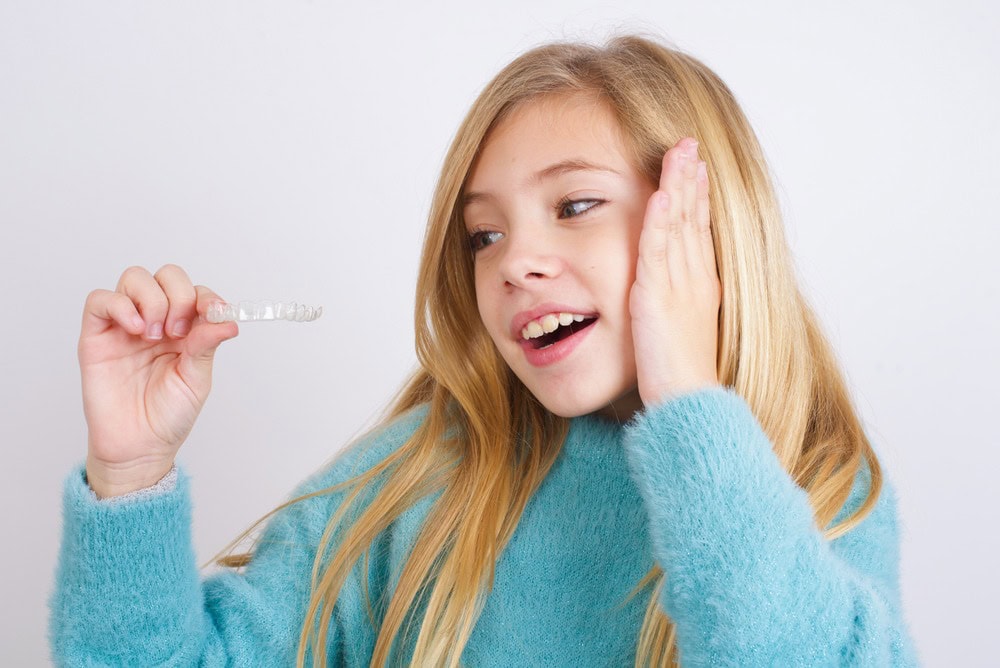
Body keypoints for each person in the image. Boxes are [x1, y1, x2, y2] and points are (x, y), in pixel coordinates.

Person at [49, 34, 919, 666]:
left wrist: (689, 402)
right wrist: (132, 474)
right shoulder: (414, 483)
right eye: (483, 236)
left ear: (706, 229)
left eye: (575, 205)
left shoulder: (824, 497)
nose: (514, 264)